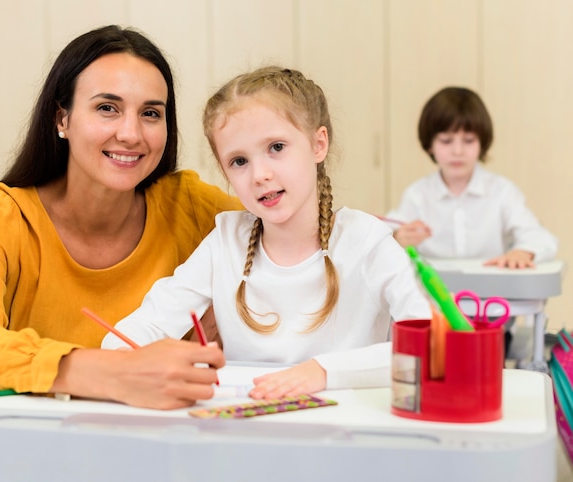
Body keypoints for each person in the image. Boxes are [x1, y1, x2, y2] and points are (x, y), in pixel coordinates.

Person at [0, 25, 243, 410]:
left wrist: (239, 311)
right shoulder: (0, 214)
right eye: (107, 108)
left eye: (151, 113)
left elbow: (297, 241)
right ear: (62, 120)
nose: (131, 133)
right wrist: (114, 373)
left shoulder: (191, 205)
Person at [102, 66, 431, 399]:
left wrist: (322, 371)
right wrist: (120, 359)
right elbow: (148, 323)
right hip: (250, 432)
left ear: (318, 144)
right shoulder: (225, 242)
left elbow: (429, 343)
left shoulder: (367, 241)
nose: (259, 174)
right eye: (239, 161)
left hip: (344, 434)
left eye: (276, 147)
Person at [386, 86, 558, 269]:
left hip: (492, 291)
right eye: (446, 141)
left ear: (482, 143)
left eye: (468, 140)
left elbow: (541, 238)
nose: (457, 151)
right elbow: (382, 236)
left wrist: (523, 251)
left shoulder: (502, 191)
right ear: (430, 145)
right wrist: (397, 238)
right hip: (431, 293)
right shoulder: (417, 195)